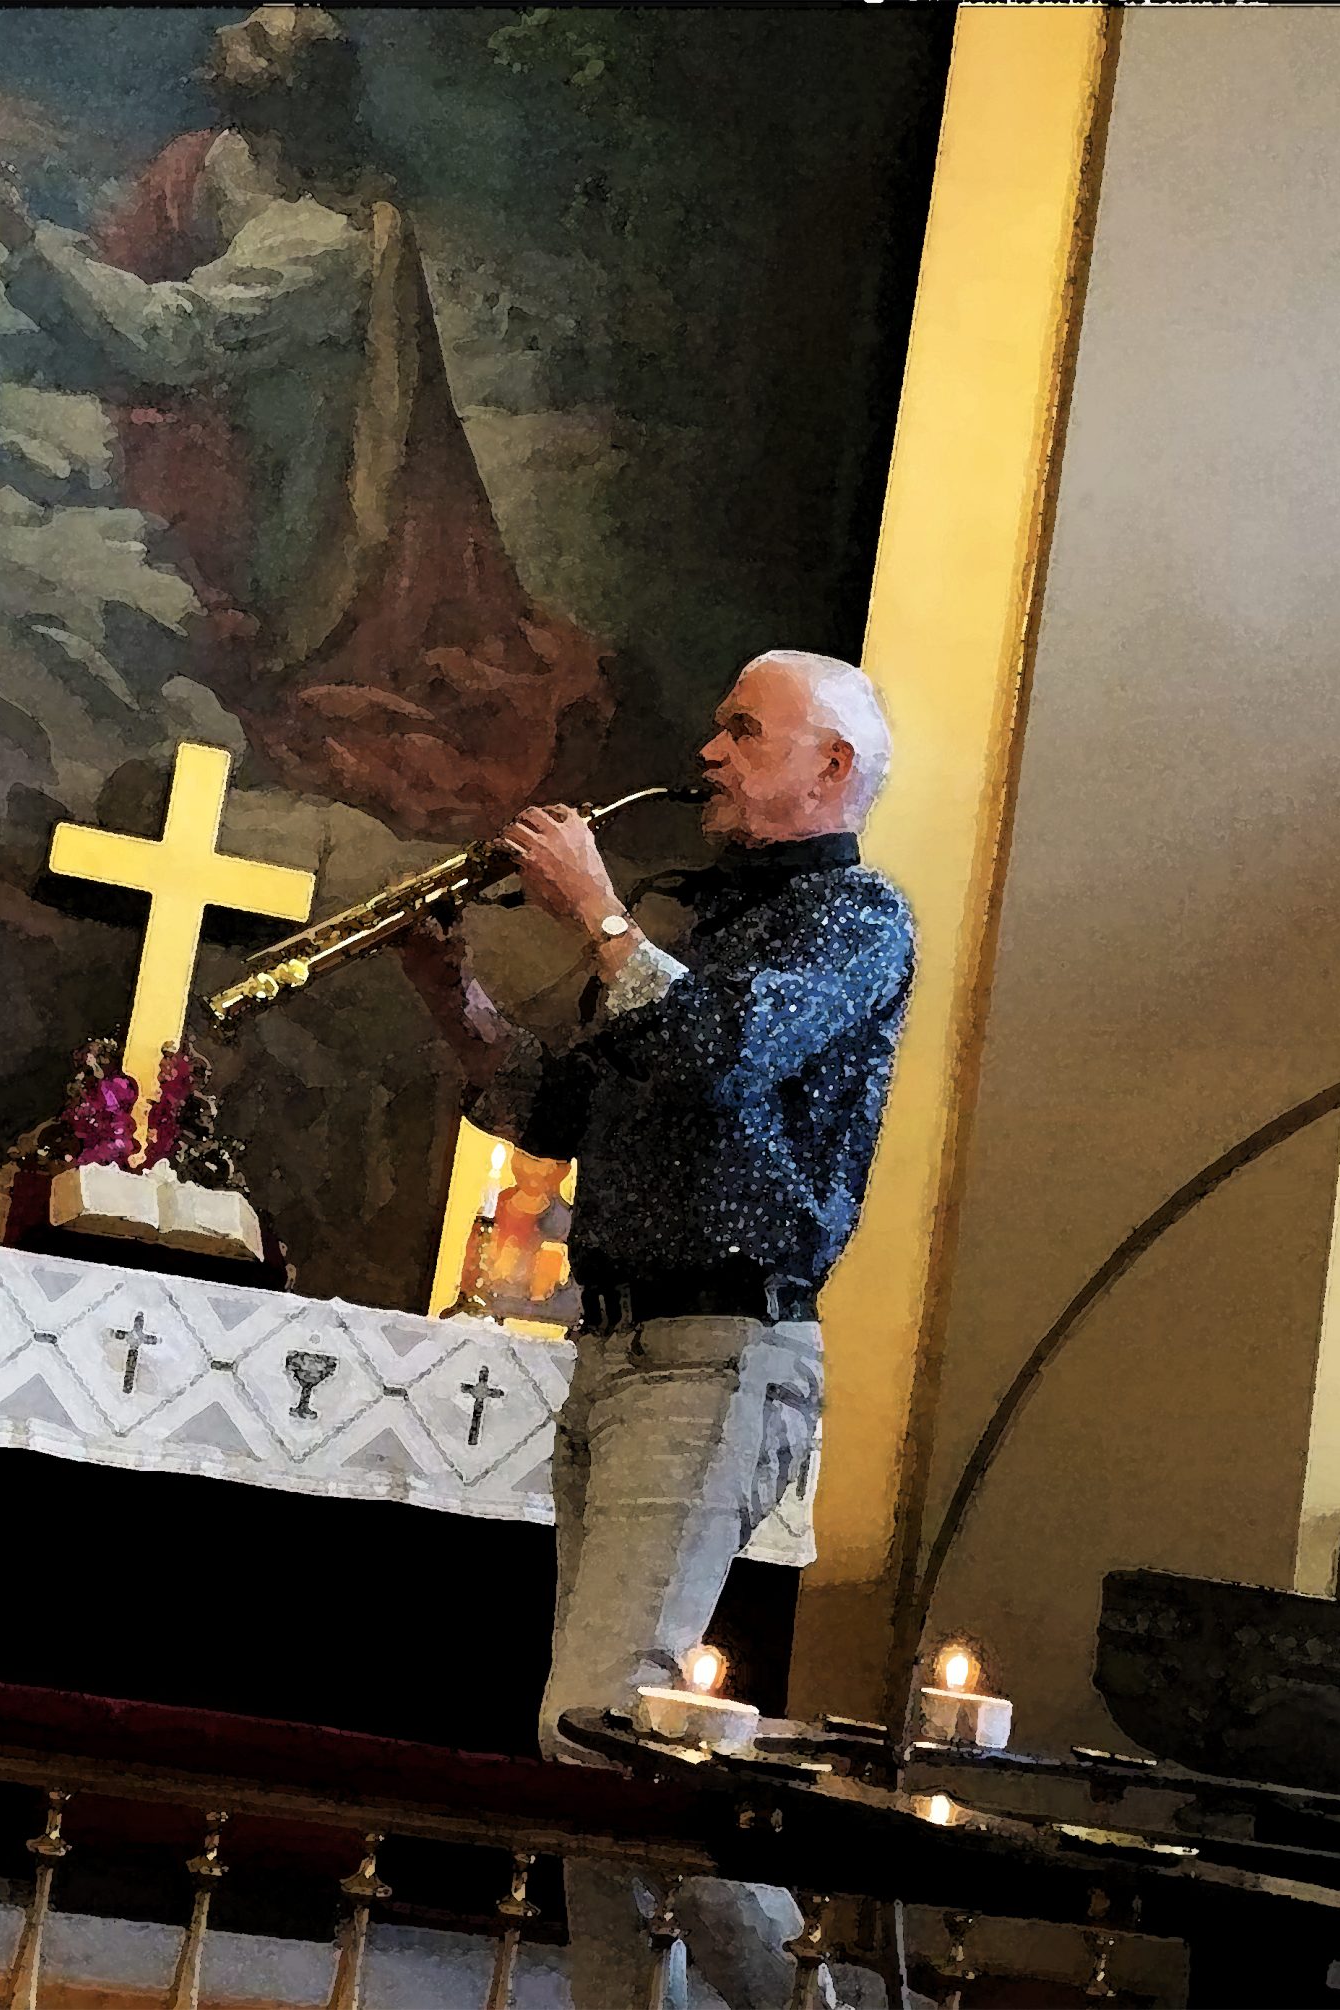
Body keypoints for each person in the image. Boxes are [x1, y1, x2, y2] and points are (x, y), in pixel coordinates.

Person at [401, 650, 915, 2007]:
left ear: (832, 768)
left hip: (719, 1351)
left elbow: (718, 1055)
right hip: (620, 1351)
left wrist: (597, 910)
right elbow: (555, 1111)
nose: (709, 752)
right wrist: (446, 988)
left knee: (603, 1729)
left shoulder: (857, 919)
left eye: (743, 730)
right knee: (593, 1742)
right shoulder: (710, 923)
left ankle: (811, 2002)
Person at [0, 7, 609, 841]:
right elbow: (132, 267)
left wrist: (17, 236)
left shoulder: (320, 243)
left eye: (255, 39)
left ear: (288, 93)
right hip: (208, 447)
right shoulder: (220, 164)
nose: (225, 34)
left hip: (286, 514)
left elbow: (171, 336)